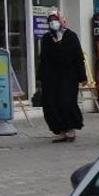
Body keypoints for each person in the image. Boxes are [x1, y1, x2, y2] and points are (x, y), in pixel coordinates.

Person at [37, 12, 87, 143]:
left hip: (68, 76)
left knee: (67, 102)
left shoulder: (71, 36)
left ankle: (71, 128)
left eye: (56, 20)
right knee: (51, 104)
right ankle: (60, 130)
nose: (53, 23)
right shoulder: (47, 38)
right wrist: (40, 77)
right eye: (51, 20)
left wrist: (83, 77)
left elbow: (78, 57)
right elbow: (43, 59)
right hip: (51, 77)